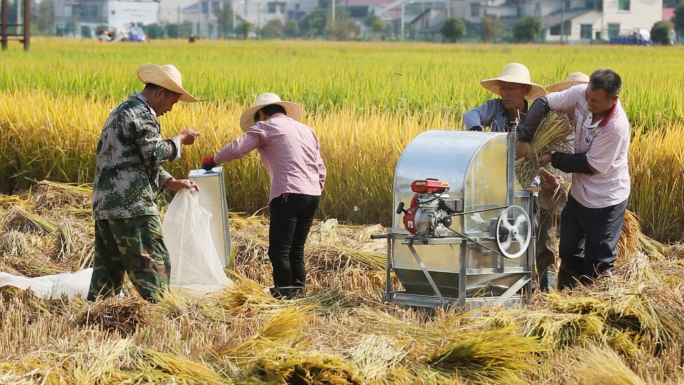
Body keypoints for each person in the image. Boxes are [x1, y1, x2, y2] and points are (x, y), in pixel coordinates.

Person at [88, 63, 201, 303]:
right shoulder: (141, 112)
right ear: (160, 93)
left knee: (107, 274)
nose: (170, 109)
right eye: (172, 102)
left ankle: (96, 319)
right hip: (133, 207)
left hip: (107, 206)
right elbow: (153, 153)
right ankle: (162, 320)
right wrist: (180, 139)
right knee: (153, 266)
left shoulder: (121, 110)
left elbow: (130, 160)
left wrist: (171, 182)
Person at [201, 93, 326, 299]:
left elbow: (238, 147)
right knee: (296, 249)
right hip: (312, 193)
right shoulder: (307, 130)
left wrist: (213, 160)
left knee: (279, 251)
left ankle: (285, 297)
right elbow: (321, 167)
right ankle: (298, 295)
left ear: (261, 113)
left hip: (287, 192)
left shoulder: (265, 127)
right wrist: (316, 189)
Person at [516, 68, 629, 290]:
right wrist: (525, 138)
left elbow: (590, 165)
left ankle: (602, 305)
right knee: (568, 252)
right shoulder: (580, 94)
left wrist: (551, 157)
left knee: (599, 260)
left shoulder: (615, 127)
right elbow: (543, 103)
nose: (588, 102)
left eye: (595, 100)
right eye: (587, 95)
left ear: (613, 99)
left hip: (605, 200)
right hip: (579, 195)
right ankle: (566, 300)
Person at [535, 71, 590, 291]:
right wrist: (547, 177)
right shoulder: (548, 128)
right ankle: (548, 293)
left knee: (573, 247)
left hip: (578, 198)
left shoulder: (592, 132)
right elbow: (532, 159)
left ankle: (571, 290)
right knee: (546, 245)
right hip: (548, 196)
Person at [463, 62, 546, 132]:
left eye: (511, 88)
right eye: (502, 88)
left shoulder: (534, 117)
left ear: (526, 89)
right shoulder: (496, 107)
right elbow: (470, 115)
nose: (505, 93)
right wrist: (477, 132)